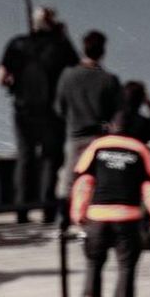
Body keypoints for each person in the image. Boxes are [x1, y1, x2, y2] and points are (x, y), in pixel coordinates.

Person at [69, 109, 150, 297]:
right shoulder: (140, 149)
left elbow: (84, 182)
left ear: (112, 126)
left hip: (97, 219)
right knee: (126, 269)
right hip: (128, 220)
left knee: (93, 266)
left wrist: (78, 212)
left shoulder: (97, 146)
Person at [0, 5, 79, 224]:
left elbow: (2, 77)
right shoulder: (61, 47)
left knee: (25, 158)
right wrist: (64, 36)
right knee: (51, 160)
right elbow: (76, 66)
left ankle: (21, 211)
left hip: (23, 110)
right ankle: (48, 210)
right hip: (51, 113)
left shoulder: (17, 44)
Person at [56, 30, 124, 193]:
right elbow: (118, 114)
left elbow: (59, 108)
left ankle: (66, 215)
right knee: (97, 184)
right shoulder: (109, 79)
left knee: (69, 186)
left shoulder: (67, 76)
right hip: (99, 139)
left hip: (75, 137)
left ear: (83, 49)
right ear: (103, 51)